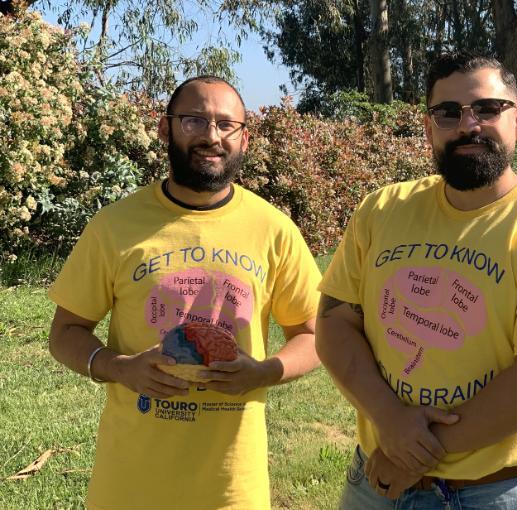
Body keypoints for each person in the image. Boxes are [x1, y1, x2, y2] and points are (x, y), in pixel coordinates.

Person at [316, 51, 517, 509]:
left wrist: (412, 453)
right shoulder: (381, 210)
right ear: (428, 126)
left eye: (488, 109)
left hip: (495, 492)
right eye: (448, 113)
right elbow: (335, 323)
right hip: (376, 482)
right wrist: (391, 420)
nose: (467, 125)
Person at [48, 76, 322, 510]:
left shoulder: (274, 230)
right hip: (129, 484)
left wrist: (265, 371)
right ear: (165, 128)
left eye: (226, 124)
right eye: (194, 120)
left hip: (232, 488)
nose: (211, 136)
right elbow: (65, 331)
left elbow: (313, 333)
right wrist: (118, 367)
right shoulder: (114, 226)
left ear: (244, 138)